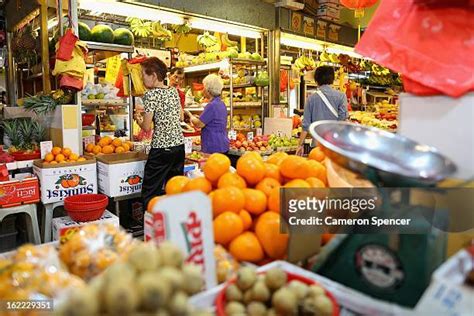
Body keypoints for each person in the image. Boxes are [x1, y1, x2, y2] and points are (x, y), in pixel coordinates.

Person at [134, 57, 185, 208]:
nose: (142, 79)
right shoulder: (173, 91)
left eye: (144, 75)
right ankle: (174, 224)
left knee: (151, 192)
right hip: (178, 147)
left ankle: (152, 226)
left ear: (154, 76)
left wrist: (138, 119)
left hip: (161, 150)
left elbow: (147, 127)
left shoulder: (150, 95)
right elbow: (181, 117)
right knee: (175, 189)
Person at [296, 66, 348, 155]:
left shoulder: (311, 99)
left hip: (317, 145)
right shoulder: (341, 96)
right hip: (335, 145)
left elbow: (305, 125)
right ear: (332, 79)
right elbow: (342, 120)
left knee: (318, 167)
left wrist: (300, 145)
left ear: (316, 80)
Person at [185, 74, 229, 154]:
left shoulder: (211, 105)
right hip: (222, 143)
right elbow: (213, 120)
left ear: (209, 90)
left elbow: (199, 124)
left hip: (213, 145)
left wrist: (190, 115)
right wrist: (200, 117)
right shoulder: (221, 103)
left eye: (204, 87)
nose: (203, 90)